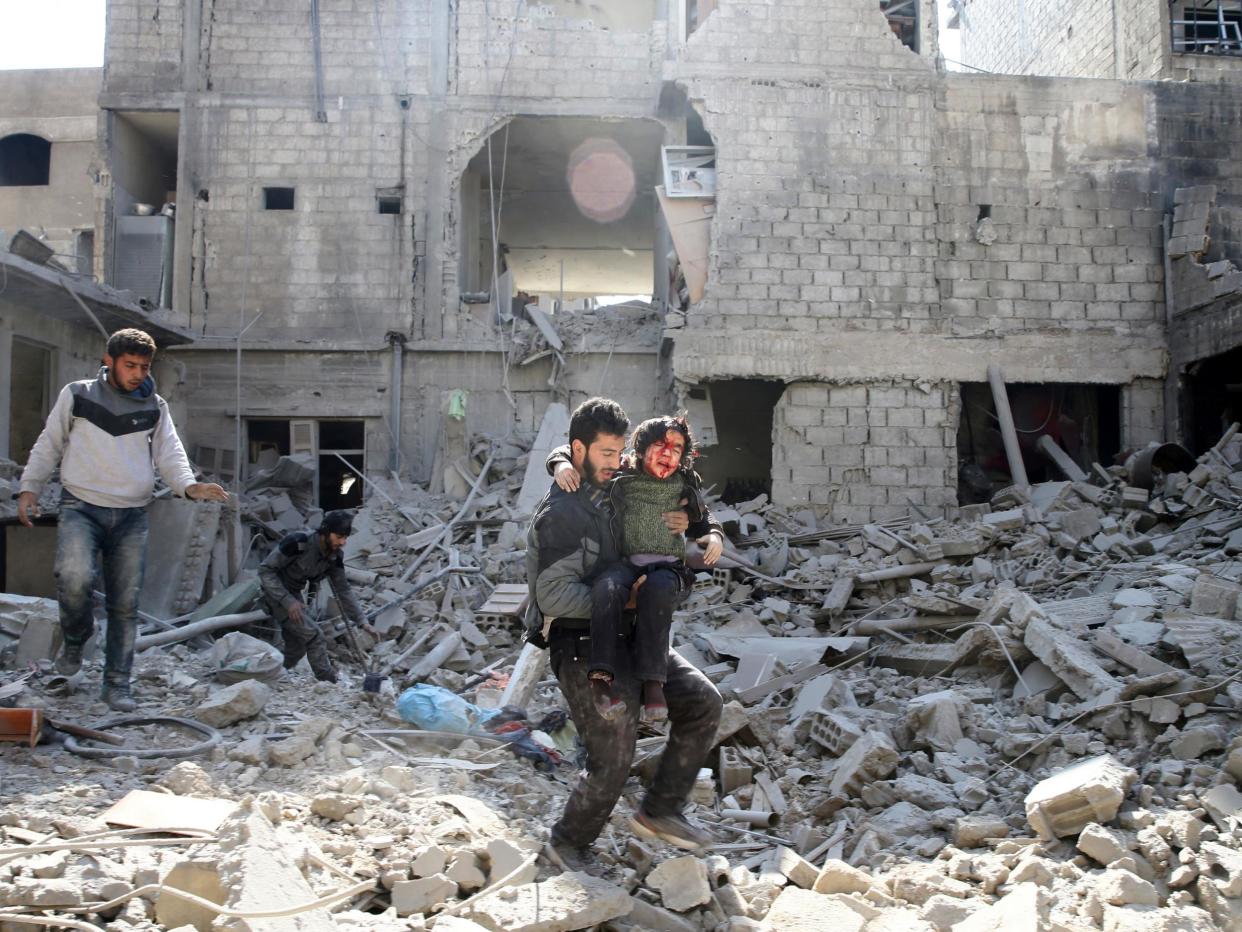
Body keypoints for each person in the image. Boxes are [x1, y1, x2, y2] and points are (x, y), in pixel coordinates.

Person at [525, 397, 724, 859]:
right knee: (614, 753)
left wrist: (696, 536)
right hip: (581, 641)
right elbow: (552, 596)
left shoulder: (621, 487)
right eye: (606, 456)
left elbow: (683, 511)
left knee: (702, 703)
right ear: (578, 451)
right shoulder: (562, 515)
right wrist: (627, 600)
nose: (618, 465)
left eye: (620, 455)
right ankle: (566, 844)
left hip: (632, 631)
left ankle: (661, 810)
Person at [17, 328, 229, 711]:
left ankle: (117, 684)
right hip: (80, 506)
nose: (137, 374)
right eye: (129, 365)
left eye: (143, 367)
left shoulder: (155, 406)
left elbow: (171, 454)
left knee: (125, 604)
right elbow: (49, 442)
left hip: (132, 515)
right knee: (73, 578)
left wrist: (188, 486)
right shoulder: (77, 395)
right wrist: (30, 486)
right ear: (108, 361)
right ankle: (78, 639)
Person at [563, 415, 724, 723]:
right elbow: (570, 454)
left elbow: (705, 517)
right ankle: (600, 680)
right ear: (639, 449)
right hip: (626, 563)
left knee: (658, 591)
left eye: (677, 447)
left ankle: (654, 682)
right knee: (606, 589)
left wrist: (713, 534)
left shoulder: (685, 481)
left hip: (668, 568)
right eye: (660, 445)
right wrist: (560, 465)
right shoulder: (622, 474)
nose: (668, 453)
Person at [257, 509, 369, 683]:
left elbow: (343, 589)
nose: (343, 542)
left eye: (345, 538)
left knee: (297, 647)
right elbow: (265, 571)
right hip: (275, 593)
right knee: (314, 635)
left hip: (294, 596)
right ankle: (328, 682)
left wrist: (362, 621)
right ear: (325, 532)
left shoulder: (334, 556)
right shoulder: (298, 542)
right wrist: (287, 602)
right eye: (339, 537)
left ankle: (270, 676)